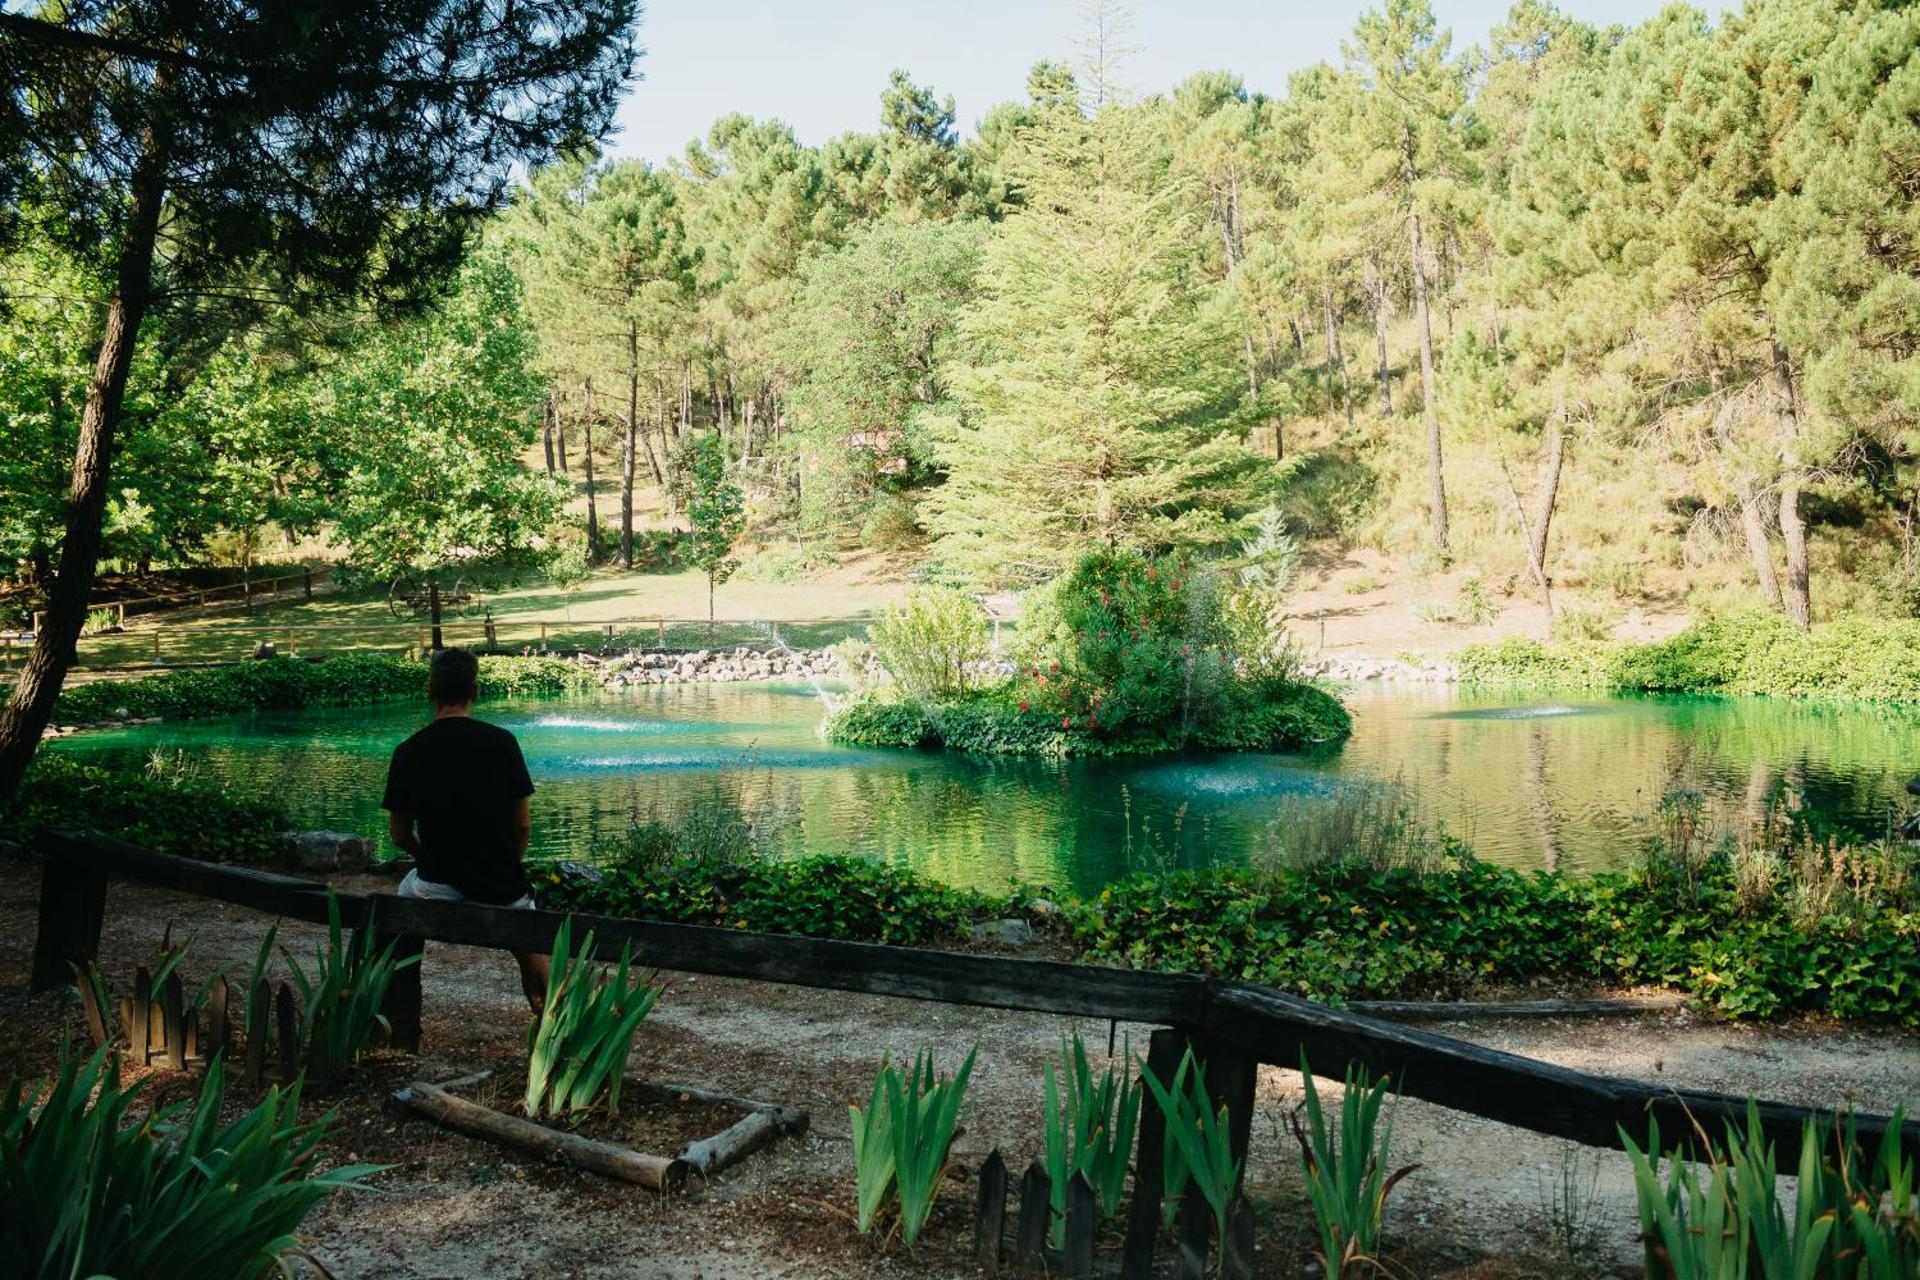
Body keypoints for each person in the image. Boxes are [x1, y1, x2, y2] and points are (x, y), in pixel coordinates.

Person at [381, 647, 550, 1012]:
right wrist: (504, 862)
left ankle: (396, 1008)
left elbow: (399, 834)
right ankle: (550, 1022)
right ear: (475, 691)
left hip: (434, 887)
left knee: (399, 902)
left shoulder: (408, 752)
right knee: (534, 951)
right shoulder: (502, 743)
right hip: (502, 885)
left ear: (430, 692)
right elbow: (522, 826)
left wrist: (433, 860)